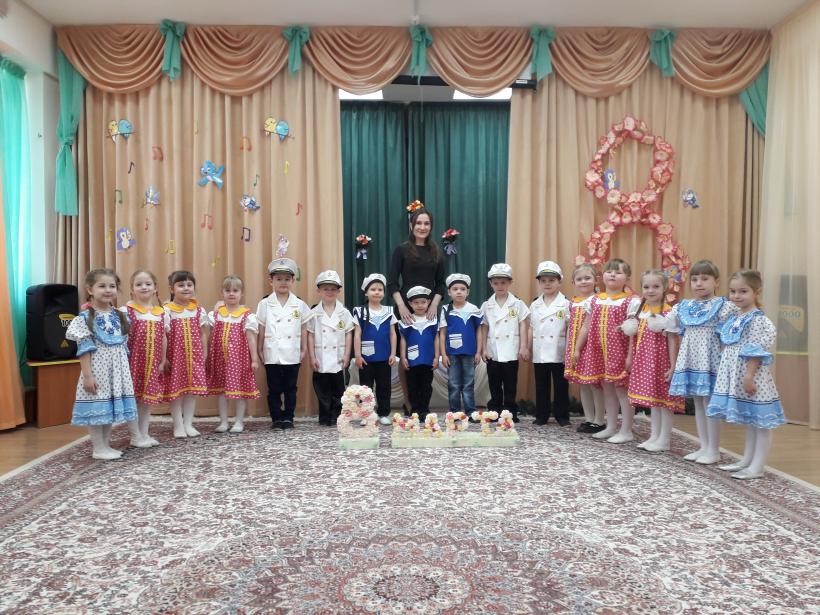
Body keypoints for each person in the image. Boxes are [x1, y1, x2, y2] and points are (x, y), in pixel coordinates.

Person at [707, 269, 785, 479]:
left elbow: (756, 352)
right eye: (733, 291)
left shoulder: (758, 320)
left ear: (756, 292)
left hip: (751, 376)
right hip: (737, 375)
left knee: (760, 422)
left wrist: (749, 377)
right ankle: (746, 460)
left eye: (743, 291)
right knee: (751, 422)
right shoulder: (736, 317)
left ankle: (757, 467)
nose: (736, 296)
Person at [667, 260, 737, 464]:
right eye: (695, 279)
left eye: (705, 279)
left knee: (710, 404)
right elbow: (669, 325)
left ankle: (714, 450)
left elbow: (730, 335)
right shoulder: (684, 306)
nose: (699, 283)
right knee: (698, 402)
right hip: (692, 360)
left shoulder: (724, 306)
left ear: (716, 282)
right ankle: (704, 446)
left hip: (712, 361)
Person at [65, 268, 137, 460]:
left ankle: (106, 445)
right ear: (90, 289)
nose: (108, 290)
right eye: (102, 286)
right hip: (98, 371)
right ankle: (98, 448)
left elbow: (123, 347)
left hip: (117, 371)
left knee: (108, 409)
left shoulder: (120, 316)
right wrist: (88, 376)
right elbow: (84, 350)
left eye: (112, 286)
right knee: (97, 408)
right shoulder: (84, 319)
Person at [388, 206, 446, 411]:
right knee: (406, 359)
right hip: (405, 311)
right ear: (412, 226)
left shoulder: (437, 252)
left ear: (431, 226)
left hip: (428, 311)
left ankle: (423, 403)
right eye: (419, 223)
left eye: (426, 223)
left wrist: (434, 305)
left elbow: (441, 284)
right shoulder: (401, 250)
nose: (422, 227)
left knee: (426, 357)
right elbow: (392, 282)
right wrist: (401, 306)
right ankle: (408, 401)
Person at [622, 270, 685, 450]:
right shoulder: (641, 311)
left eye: (656, 286)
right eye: (646, 287)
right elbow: (635, 338)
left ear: (664, 288)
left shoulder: (668, 312)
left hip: (662, 362)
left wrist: (673, 365)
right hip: (646, 362)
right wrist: (631, 357)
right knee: (654, 401)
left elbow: (673, 340)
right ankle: (654, 436)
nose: (650, 290)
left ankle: (664, 439)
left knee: (664, 402)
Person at [580, 258, 641, 442]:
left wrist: (630, 356)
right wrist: (578, 349)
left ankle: (626, 430)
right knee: (607, 389)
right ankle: (611, 426)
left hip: (620, 353)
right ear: (602, 276)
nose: (613, 275)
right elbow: (586, 326)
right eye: (609, 271)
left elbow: (633, 332)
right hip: (599, 352)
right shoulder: (594, 300)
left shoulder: (631, 302)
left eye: (618, 272)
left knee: (622, 390)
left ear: (627, 278)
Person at [256, 257, 312, 430]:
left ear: (293, 281)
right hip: (271, 352)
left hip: (292, 352)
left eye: (287, 279)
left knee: (290, 388)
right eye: (279, 279)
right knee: (273, 389)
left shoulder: (299, 304)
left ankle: (288, 417)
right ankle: (276, 418)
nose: (283, 282)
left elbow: (304, 328)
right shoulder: (265, 303)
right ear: (271, 281)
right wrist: (260, 349)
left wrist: (304, 348)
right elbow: (261, 328)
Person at [206, 275, 261, 434]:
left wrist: (254, 359)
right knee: (221, 392)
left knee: (240, 391)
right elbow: (209, 335)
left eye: (235, 290)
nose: (231, 293)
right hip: (220, 360)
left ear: (241, 293)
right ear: (222, 293)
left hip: (239, 361)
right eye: (227, 290)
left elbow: (251, 338)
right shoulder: (216, 315)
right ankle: (223, 422)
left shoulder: (246, 316)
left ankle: (239, 421)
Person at [480, 263, 530, 422]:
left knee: (510, 384)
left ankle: (509, 411)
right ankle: (494, 410)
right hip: (493, 351)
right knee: (494, 383)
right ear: (490, 283)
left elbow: (523, 325)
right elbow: (484, 328)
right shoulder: (486, 305)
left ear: (510, 282)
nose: (499, 286)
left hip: (511, 350)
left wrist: (523, 346)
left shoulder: (518, 303)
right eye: (496, 283)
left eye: (503, 282)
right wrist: (483, 349)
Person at [122, 270, 167, 447]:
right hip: (133, 363)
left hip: (152, 364)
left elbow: (163, 337)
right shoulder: (126, 311)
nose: (144, 287)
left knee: (147, 400)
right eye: (139, 284)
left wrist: (162, 360)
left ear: (155, 288)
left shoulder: (161, 312)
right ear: (131, 289)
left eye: (148, 284)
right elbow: (122, 338)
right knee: (133, 399)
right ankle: (135, 436)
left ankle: (144, 433)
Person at [164, 270, 210, 438]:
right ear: (172, 289)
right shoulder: (167, 311)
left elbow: (203, 333)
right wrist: (164, 358)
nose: (186, 288)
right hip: (175, 358)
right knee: (176, 392)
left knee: (191, 391)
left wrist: (204, 352)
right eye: (181, 285)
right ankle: (178, 425)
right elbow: (163, 335)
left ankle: (188, 424)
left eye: (189, 285)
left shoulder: (198, 310)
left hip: (194, 357)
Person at [307, 270, 354, 426]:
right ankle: (324, 416)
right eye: (325, 288)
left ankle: (336, 415)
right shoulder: (313, 313)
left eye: (333, 289)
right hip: (320, 356)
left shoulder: (344, 313)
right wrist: (312, 357)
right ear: (319, 291)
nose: (329, 292)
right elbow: (310, 335)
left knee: (338, 389)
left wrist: (347, 354)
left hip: (337, 356)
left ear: (339, 291)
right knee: (321, 389)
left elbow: (348, 334)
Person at [528, 261, 571, 426]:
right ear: (539, 283)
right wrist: (528, 347)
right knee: (541, 385)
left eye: (552, 280)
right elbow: (531, 327)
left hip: (559, 350)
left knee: (561, 385)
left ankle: (562, 416)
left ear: (559, 281)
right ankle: (542, 415)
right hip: (540, 351)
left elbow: (570, 328)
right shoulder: (535, 304)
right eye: (543, 280)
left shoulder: (566, 303)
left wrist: (569, 350)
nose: (547, 284)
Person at [565, 264, 605, 433]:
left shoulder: (598, 300)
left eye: (587, 278)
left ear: (596, 280)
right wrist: (570, 347)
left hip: (591, 347)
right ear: (573, 282)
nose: (583, 282)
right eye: (579, 279)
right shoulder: (573, 302)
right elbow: (570, 327)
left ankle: (599, 420)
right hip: (576, 347)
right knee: (583, 383)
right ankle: (589, 419)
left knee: (595, 384)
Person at [353, 273, 397, 425]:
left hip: (384, 356)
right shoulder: (360, 311)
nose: (377, 292)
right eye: (373, 289)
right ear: (366, 292)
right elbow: (357, 334)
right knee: (365, 387)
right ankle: (366, 414)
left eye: (380, 289)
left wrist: (393, 353)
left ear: (384, 293)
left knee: (384, 386)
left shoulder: (389, 311)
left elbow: (393, 334)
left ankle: (383, 413)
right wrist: (357, 355)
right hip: (366, 358)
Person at [439, 273, 483, 416]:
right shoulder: (446, 309)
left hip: (470, 353)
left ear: (468, 292)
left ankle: (471, 411)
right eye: (455, 289)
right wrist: (443, 354)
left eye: (462, 289)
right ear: (449, 292)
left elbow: (479, 332)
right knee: (453, 383)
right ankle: (455, 412)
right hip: (452, 354)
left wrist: (478, 352)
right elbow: (442, 333)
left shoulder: (474, 309)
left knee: (469, 383)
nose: (459, 292)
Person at [398, 285, 440, 421]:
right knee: (412, 386)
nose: (420, 305)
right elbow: (403, 339)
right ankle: (415, 410)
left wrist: (437, 357)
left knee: (426, 386)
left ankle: (424, 409)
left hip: (428, 360)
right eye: (416, 302)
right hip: (412, 361)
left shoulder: (433, 319)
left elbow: (436, 339)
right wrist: (403, 357)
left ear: (429, 302)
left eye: (423, 302)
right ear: (410, 304)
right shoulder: (406, 321)